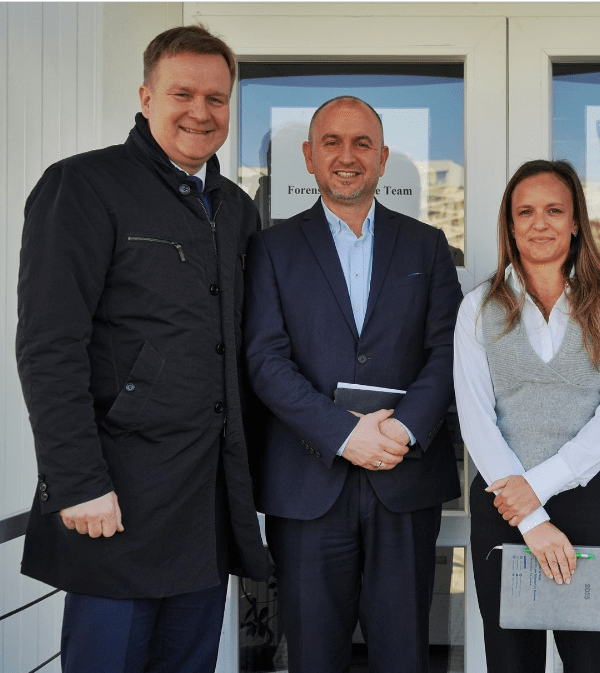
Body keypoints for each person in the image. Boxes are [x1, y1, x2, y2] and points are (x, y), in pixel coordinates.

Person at [15, 25, 271, 673]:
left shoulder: (236, 209)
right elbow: (49, 345)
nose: (200, 112)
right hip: (116, 500)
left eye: (216, 98)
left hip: (205, 506)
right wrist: (77, 481)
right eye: (182, 94)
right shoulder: (82, 186)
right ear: (146, 96)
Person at [243, 95, 462, 673]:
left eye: (362, 143)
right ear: (309, 157)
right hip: (307, 483)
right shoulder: (270, 248)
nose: (347, 156)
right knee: (313, 654)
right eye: (332, 143)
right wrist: (343, 433)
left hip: (404, 475)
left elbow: (448, 353)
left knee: (404, 653)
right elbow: (265, 360)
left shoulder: (427, 246)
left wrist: (403, 429)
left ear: (383, 158)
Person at [455, 159, 600, 672]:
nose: (540, 223)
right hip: (504, 504)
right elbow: (476, 419)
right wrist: (531, 516)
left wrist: (539, 486)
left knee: (592, 664)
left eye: (555, 210)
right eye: (526, 212)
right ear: (510, 225)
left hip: (594, 502)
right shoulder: (477, 308)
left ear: (576, 221)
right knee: (512, 663)